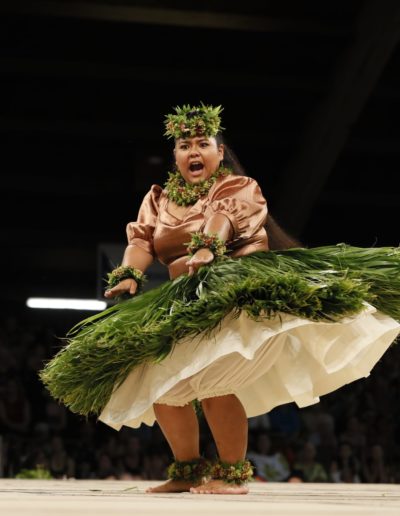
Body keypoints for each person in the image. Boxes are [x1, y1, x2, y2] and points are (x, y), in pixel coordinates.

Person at [40, 103, 400, 495]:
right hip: (188, 300)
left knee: (213, 382)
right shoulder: (158, 199)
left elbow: (224, 218)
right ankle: (188, 470)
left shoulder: (238, 187)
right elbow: (142, 239)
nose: (193, 152)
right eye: (184, 145)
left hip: (236, 297)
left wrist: (209, 248)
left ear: (219, 152)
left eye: (202, 144)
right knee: (164, 388)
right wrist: (130, 273)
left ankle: (232, 475)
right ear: (174, 154)